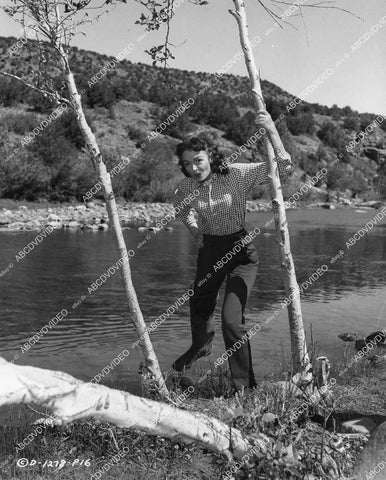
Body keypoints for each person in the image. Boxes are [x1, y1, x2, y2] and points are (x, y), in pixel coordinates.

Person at [171, 110, 292, 392]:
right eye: (187, 164)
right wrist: (194, 230)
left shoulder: (237, 175)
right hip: (210, 250)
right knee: (199, 303)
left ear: (210, 156)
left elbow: (283, 169)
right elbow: (180, 209)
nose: (194, 168)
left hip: (240, 253)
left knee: (231, 320)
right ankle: (201, 346)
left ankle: (244, 387)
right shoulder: (186, 186)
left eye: (198, 160)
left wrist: (272, 130)